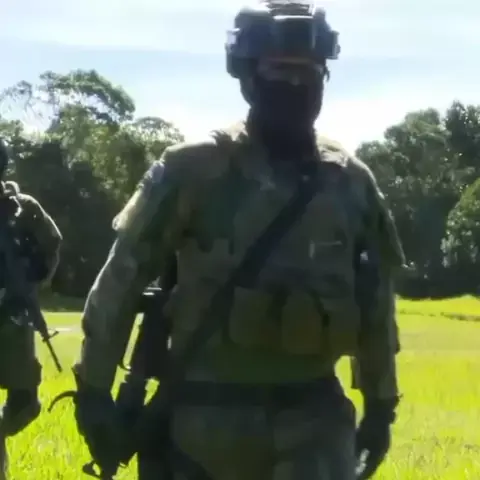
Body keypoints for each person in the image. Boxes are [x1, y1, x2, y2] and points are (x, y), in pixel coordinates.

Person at [72, 1, 406, 479]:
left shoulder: (351, 183)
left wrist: (380, 407)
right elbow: (120, 283)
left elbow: (376, 303)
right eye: (280, 71)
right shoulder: (191, 172)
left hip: (315, 427)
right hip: (201, 427)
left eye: (309, 72)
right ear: (249, 77)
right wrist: (94, 392)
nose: (296, 85)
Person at [0, 139, 63, 477]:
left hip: (12, 316)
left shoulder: (22, 208)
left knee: (26, 404)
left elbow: (52, 244)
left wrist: (31, 276)